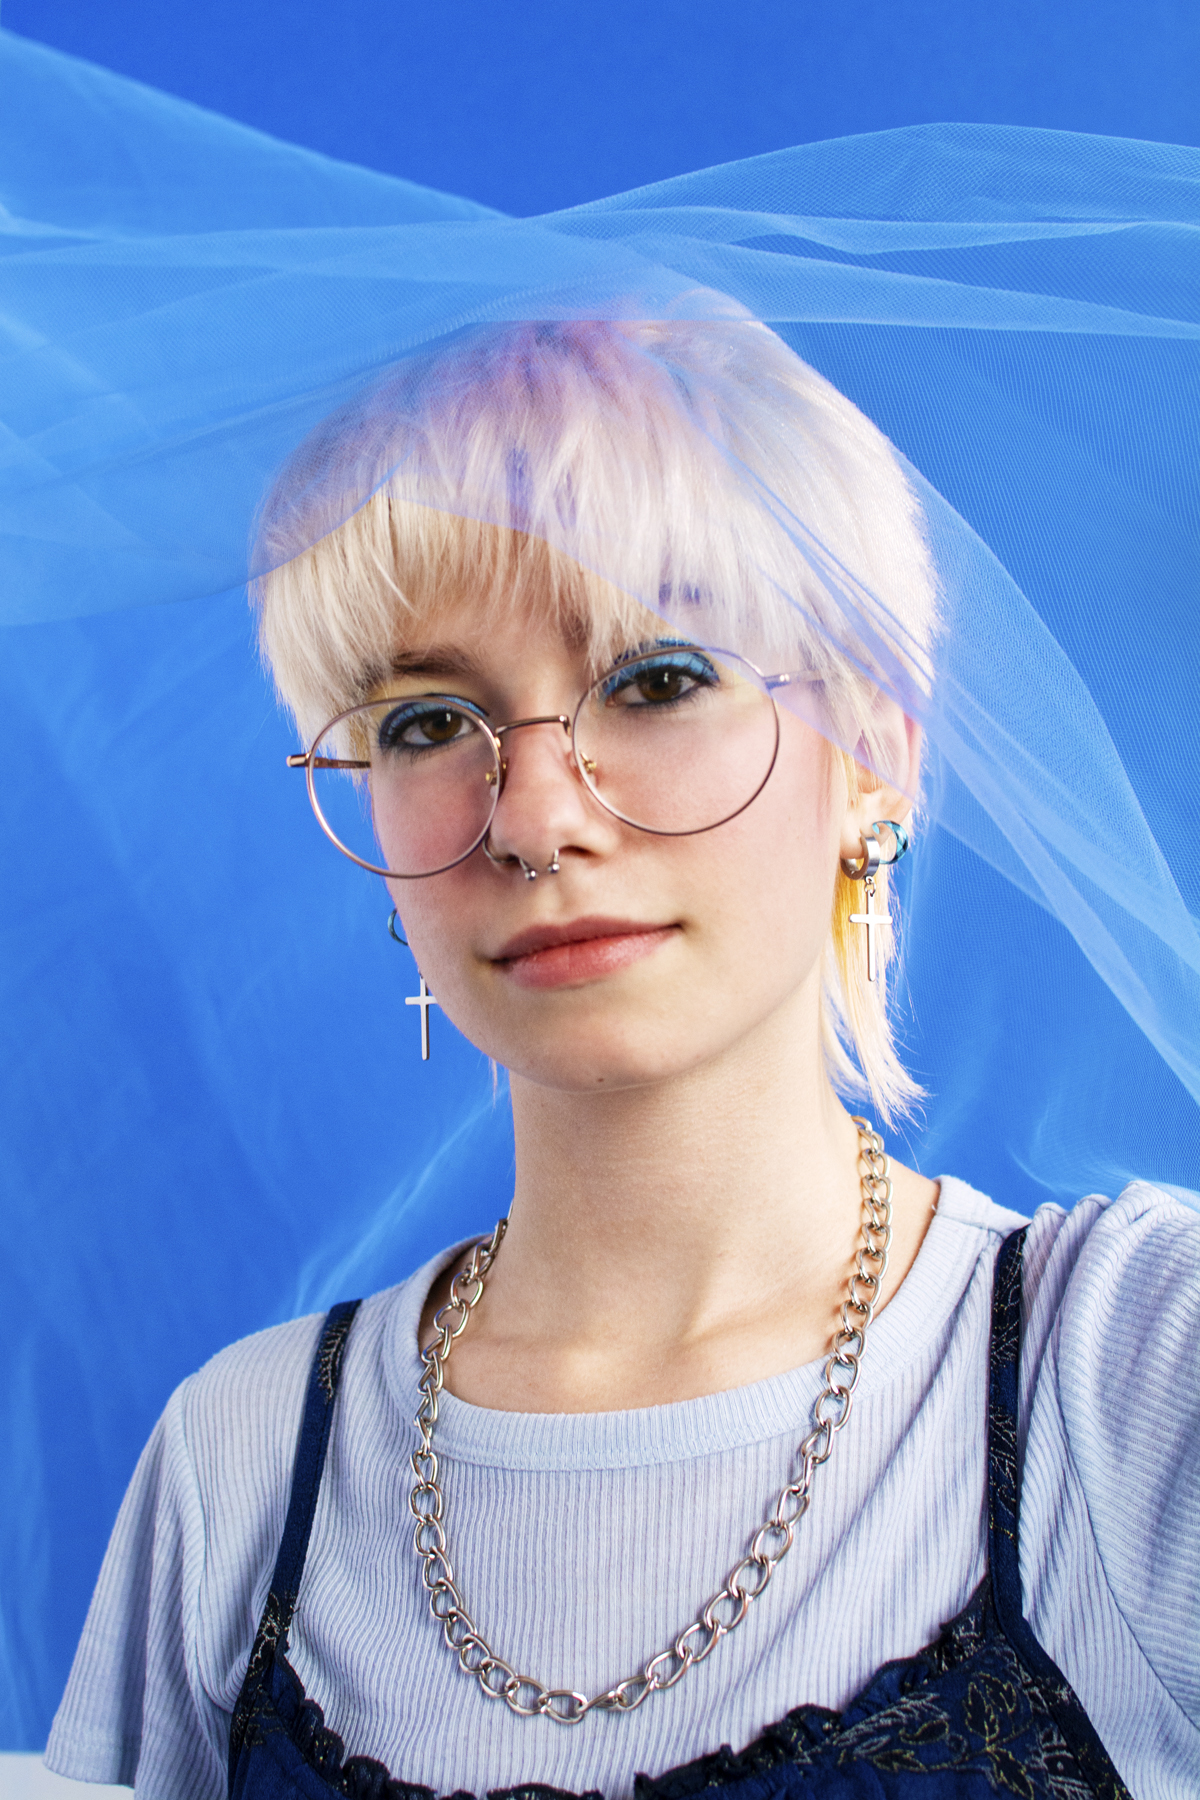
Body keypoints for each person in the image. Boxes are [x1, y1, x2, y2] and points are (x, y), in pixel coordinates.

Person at [43, 314, 1199, 1800]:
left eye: (655, 679)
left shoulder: (1131, 1375)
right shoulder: (247, 1461)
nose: (531, 817)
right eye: (426, 719)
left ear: (879, 750)